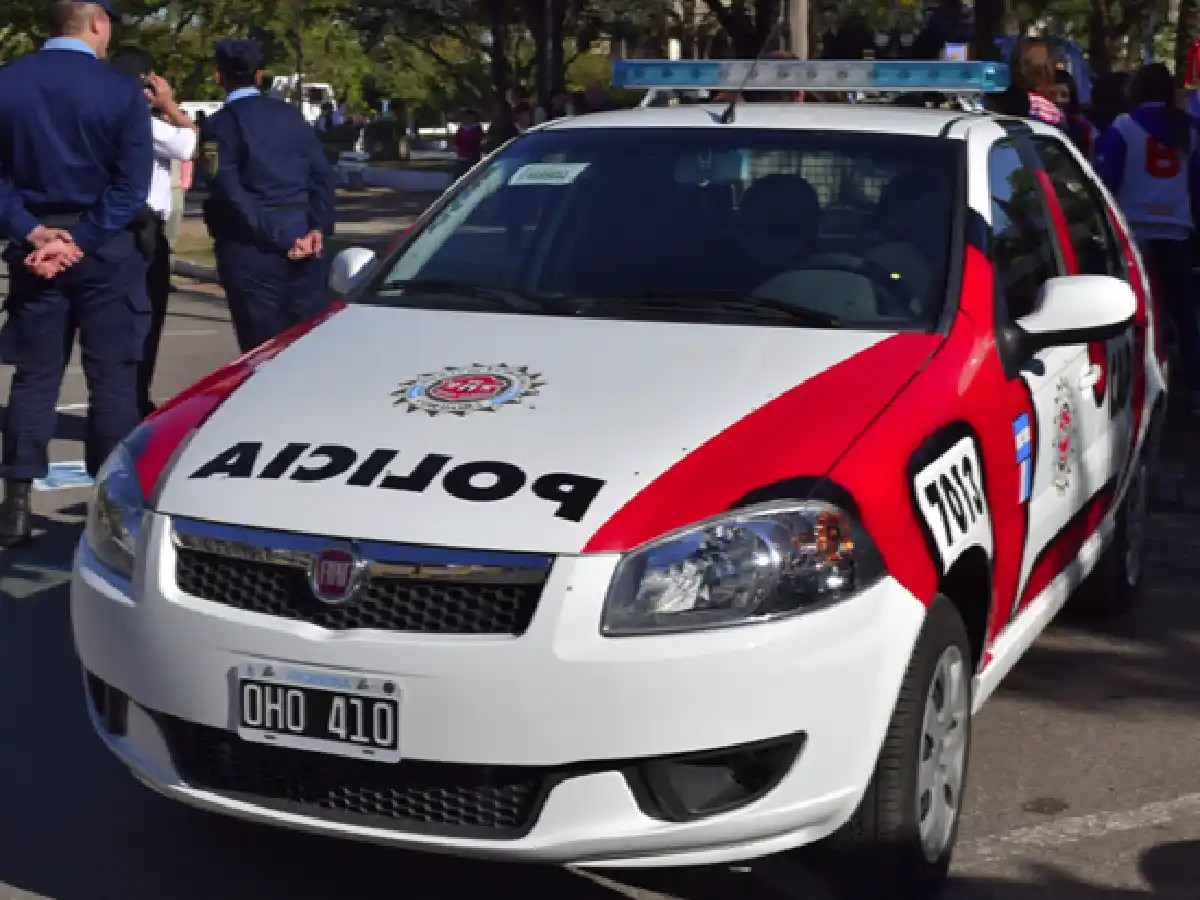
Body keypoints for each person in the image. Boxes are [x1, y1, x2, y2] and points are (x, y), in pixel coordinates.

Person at [0, 0, 152, 545]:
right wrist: (80, 240)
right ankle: (109, 508)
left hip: (35, 247)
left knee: (36, 376)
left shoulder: (8, 83)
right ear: (95, 24)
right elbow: (129, 186)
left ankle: (15, 503)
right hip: (104, 247)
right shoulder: (117, 91)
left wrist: (36, 233)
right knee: (112, 377)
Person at [199, 40, 336, 353]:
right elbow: (322, 176)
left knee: (262, 351)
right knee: (307, 345)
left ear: (219, 77)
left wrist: (280, 237)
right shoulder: (290, 115)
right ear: (259, 77)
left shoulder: (221, 124)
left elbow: (229, 192)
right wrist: (317, 229)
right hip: (304, 242)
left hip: (252, 247)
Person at [1094, 63, 1200, 414]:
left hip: (1134, 231)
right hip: (1176, 230)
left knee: (1134, 310)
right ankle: (1195, 383)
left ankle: (1137, 378)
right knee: (1185, 312)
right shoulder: (1189, 130)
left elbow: (1104, 178)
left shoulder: (1124, 127)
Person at [109, 45, 198, 418]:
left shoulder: (104, 115)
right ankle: (131, 404)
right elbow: (191, 141)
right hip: (142, 230)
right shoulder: (146, 123)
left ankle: (125, 401)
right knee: (144, 322)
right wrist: (170, 104)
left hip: (110, 228)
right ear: (147, 82)